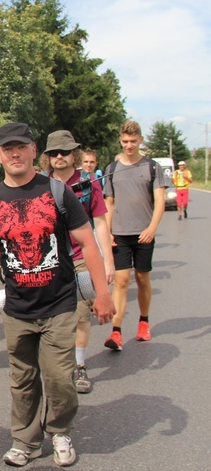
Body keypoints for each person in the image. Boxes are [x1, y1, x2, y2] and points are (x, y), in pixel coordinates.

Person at [0, 123, 114, 468]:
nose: (15, 154)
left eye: (21, 147)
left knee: (60, 378)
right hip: (17, 308)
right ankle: (25, 441)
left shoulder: (57, 192)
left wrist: (103, 292)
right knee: (22, 379)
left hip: (60, 303)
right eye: (7, 149)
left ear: (34, 150)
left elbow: (87, 243)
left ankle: (60, 432)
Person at [42, 131, 115, 394]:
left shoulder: (88, 182)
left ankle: (79, 363)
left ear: (74, 153)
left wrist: (107, 262)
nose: (59, 157)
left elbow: (101, 222)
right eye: (53, 153)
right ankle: (57, 363)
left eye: (64, 152)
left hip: (82, 257)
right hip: (49, 259)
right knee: (52, 315)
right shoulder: (40, 183)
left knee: (82, 312)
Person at [102, 121, 165, 350]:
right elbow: (108, 202)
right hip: (120, 233)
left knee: (142, 278)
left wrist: (152, 228)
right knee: (120, 281)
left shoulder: (153, 167)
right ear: (120, 140)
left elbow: (159, 202)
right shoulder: (112, 169)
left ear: (140, 140)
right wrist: (107, 232)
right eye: (125, 141)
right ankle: (116, 332)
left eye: (133, 141)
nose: (129, 145)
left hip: (143, 233)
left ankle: (144, 321)